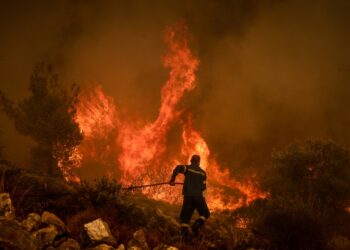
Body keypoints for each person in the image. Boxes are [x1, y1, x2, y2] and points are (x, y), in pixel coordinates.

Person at [169, 154, 210, 238]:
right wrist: (202, 199)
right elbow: (203, 187)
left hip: (188, 197)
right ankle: (197, 225)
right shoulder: (203, 173)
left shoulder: (188, 168)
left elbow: (178, 168)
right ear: (199, 162)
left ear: (191, 161)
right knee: (205, 213)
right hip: (198, 197)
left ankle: (184, 238)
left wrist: (173, 179)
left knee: (185, 218)